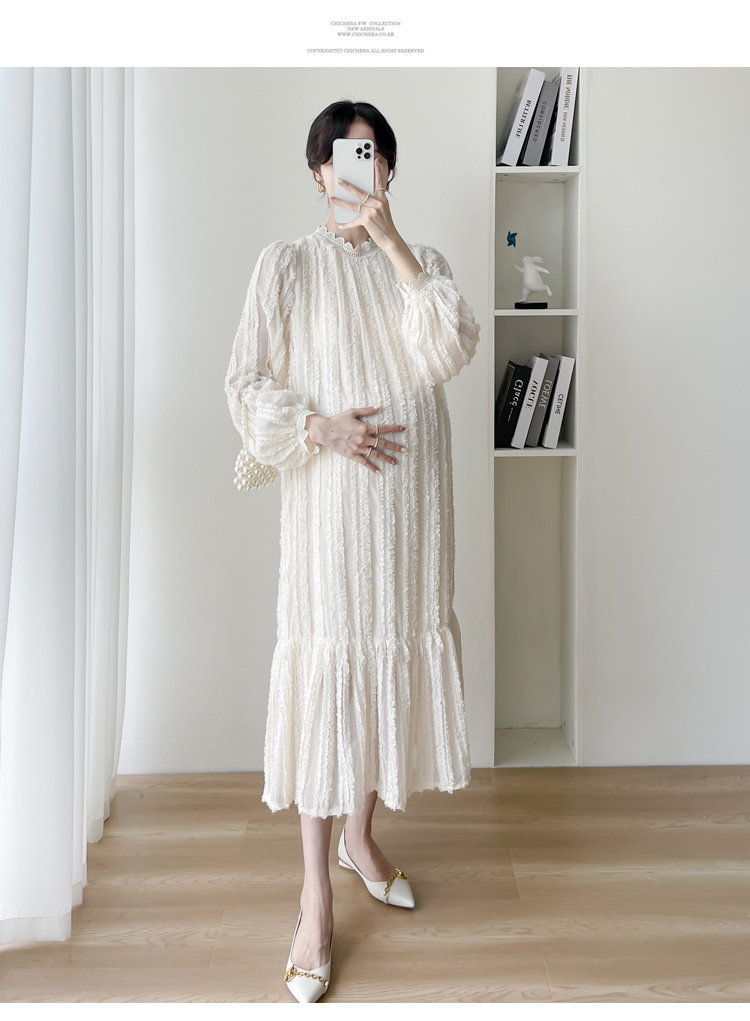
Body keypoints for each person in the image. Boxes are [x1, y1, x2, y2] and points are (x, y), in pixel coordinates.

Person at [224, 99, 481, 1002]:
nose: (358, 165)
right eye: (344, 153)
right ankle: (315, 900)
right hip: (333, 516)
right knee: (331, 677)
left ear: (387, 171)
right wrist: (318, 426)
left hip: (410, 516)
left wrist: (393, 241)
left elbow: (451, 346)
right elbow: (244, 381)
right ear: (318, 171)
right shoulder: (286, 265)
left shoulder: (425, 264)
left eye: (373, 154)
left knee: (383, 677)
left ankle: (360, 837)